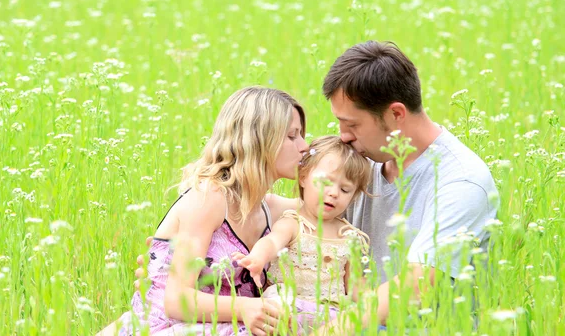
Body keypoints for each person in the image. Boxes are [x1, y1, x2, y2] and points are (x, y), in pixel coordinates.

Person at [313, 40, 499, 333]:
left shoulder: (461, 180)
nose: (343, 136)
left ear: (396, 114)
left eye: (352, 124)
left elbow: (418, 284)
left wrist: (328, 330)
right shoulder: (363, 161)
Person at [99, 86, 309, 336]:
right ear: (259, 139)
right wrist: (246, 307)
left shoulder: (270, 207)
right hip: (167, 327)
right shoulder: (210, 198)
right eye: (292, 136)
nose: (304, 146)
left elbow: (335, 200)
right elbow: (176, 300)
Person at [231, 136, 371, 334]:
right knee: (277, 308)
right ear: (304, 177)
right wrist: (257, 258)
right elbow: (272, 242)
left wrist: (372, 307)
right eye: (325, 183)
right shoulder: (294, 223)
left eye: (345, 189)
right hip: (288, 307)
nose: (333, 193)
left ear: (354, 195)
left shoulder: (349, 236)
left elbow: (355, 285)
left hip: (330, 316)